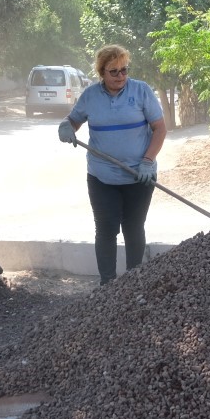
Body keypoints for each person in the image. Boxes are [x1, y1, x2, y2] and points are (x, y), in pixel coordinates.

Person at [58, 44, 167, 285]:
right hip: (102, 177)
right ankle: (107, 285)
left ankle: (133, 282)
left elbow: (159, 128)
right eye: (113, 71)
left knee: (134, 227)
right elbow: (73, 120)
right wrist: (66, 126)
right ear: (101, 73)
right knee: (106, 229)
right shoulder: (90, 96)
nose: (120, 76)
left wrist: (148, 161)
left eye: (124, 70)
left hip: (140, 176)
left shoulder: (141, 91)